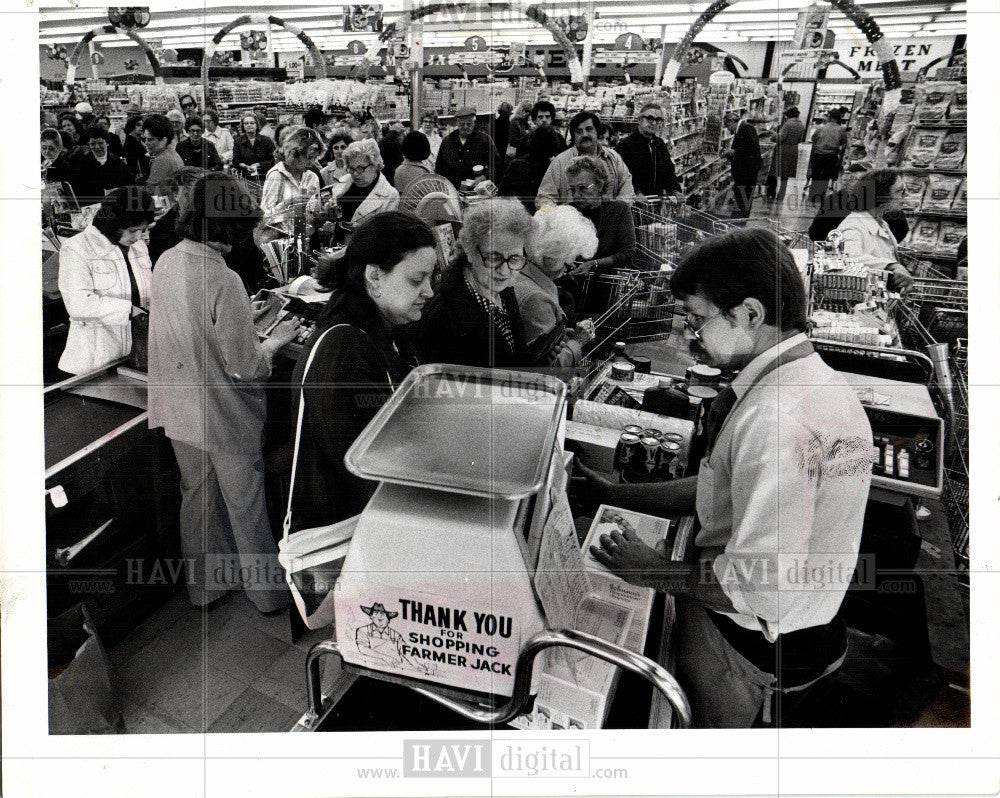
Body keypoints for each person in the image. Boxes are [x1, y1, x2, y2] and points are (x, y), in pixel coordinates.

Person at [580, 228, 874, 728]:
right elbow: (724, 488)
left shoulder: (776, 419)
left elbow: (761, 585)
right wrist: (617, 494)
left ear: (750, 315)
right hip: (803, 618)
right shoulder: (807, 382)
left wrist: (650, 570)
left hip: (753, 644)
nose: (690, 335)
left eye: (697, 318)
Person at [147, 172, 300, 613]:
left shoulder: (168, 260)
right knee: (244, 503)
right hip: (222, 413)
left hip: (177, 408)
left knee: (197, 495)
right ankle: (267, 596)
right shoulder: (224, 279)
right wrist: (276, 337)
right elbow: (246, 367)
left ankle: (207, 589)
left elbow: (192, 331)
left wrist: (241, 317)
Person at [288, 211, 436, 530]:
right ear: (374, 276)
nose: (429, 292)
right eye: (416, 279)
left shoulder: (383, 325)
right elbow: (364, 470)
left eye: (430, 279)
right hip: (338, 533)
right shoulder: (346, 349)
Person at [416, 198, 538, 368]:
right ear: (470, 251)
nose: (504, 271)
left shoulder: (498, 288)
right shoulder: (440, 317)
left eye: (515, 258)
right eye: (494, 257)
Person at [57, 186, 155, 375]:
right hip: (96, 361)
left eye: (143, 230)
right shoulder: (76, 249)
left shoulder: (138, 247)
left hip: (135, 356)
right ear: (112, 223)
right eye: (133, 230)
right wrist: (129, 311)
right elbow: (79, 305)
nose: (138, 237)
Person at [515, 205, 598, 366]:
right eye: (568, 261)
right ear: (550, 259)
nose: (571, 267)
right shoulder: (536, 299)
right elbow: (551, 368)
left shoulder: (522, 274)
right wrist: (577, 342)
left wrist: (558, 335)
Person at [562, 155, 636, 312]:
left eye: (583, 188)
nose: (576, 195)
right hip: (571, 295)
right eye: (572, 189)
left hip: (607, 294)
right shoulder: (567, 213)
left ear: (599, 185)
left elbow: (628, 253)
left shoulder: (619, 210)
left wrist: (593, 264)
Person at [834, 169, 914, 292]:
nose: (906, 195)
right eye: (900, 191)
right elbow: (847, 258)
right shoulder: (853, 227)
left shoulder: (880, 222)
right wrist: (892, 266)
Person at [536, 111, 635, 209]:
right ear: (573, 136)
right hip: (574, 222)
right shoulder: (560, 162)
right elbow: (544, 198)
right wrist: (560, 218)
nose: (584, 135)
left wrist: (617, 213)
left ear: (597, 132)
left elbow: (626, 189)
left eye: (589, 129)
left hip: (609, 221)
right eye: (579, 131)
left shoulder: (613, 157)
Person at [259, 125, 325, 240]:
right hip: (283, 241)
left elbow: (315, 213)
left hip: (308, 240)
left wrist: (323, 214)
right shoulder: (276, 175)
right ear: (294, 154)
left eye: (315, 158)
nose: (312, 163)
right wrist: (286, 204)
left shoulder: (312, 177)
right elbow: (264, 219)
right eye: (309, 157)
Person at [616, 102, 682, 201]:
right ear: (639, 120)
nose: (654, 123)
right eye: (650, 119)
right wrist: (636, 193)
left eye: (658, 120)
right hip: (633, 205)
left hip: (655, 202)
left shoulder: (660, 144)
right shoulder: (625, 145)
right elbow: (620, 177)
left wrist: (675, 190)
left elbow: (668, 173)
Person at [332, 139, 400, 228]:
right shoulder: (344, 181)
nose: (355, 173)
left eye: (361, 168)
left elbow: (387, 233)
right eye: (351, 168)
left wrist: (360, 230)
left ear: (375, 165)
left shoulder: (391, 195)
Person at [146, 166, 204, 266]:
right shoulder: (162, 231)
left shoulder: (212, 222)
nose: (194, 200)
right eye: (187, 194)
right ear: (175, 195)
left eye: (200, 194)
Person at [499, 126, 564, 214]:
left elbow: (502, 194)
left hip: (520, 214)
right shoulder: (553, 167)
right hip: (545, 215)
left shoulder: (516, 165)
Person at [434, 106, 500, 189]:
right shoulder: (448, 141)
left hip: (476, 191)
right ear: (457, 123)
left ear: (474, 123)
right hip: (452, 190)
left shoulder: (485, 140)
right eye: (461, 124)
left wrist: (485, 176)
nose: (465, 127)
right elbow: (439, 168)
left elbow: (497, 165)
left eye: (469, 124)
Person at [69, 125, 132, 205]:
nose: (97, 147)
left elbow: (128, 186)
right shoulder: (81, 165)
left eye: (100, 143)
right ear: (88, 145)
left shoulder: (119, 163)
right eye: (93, 144)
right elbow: (78, 193)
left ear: (107, 143)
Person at [723, 110, 762, 219]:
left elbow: (751, 147)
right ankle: (739, 216)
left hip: (748, 169)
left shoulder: (747, 128)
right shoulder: (742, 128)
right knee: (742, 193)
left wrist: (733, 152)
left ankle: (740, 218)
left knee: (745, 193)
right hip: (745, 168)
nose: (727, 129)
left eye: (727, 125)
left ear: (731, 122)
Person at [808, 108, 848, 205]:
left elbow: (813, 139)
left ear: (829, 117)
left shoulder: (821, 128)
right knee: (826, 176)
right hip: (831, 155)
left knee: (816, 175)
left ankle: (812, 196)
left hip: (818, 154)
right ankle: (821, 196)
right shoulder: (841, 130)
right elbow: (843, 143)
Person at [141, 113, 184, 197]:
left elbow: (149, 192)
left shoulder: (162, 160)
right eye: (144, 139)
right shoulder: (171, 153)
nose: (146, 143)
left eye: (150, 139)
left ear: (164, 140)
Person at [771, 106, 805, 206]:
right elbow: (800, 139)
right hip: (794, 149)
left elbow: (781, 138)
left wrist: (773, 136)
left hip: (784, 150)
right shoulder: (801, 124)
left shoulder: (788, 124)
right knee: (785, 175)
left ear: (788, 116)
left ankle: (772, 192)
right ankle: (782, 194)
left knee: (775, 171)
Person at [233, 112, 276, 181]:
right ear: (243, 126)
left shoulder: (266, 140)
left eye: (252, 123)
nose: (249, 125)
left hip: (266, 176)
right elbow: (236, 160)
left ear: (257, 125)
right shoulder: (238, 142)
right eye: (246, 123)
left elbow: (273, 159)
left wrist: (258, 164)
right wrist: (246, 166)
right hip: (246, 178)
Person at [122, 115, 150, 183]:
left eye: (142, 125)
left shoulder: (140, 140)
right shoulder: (130, 142)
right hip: (136, 177)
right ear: (131, 127)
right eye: (138, 125)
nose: (141, 127)